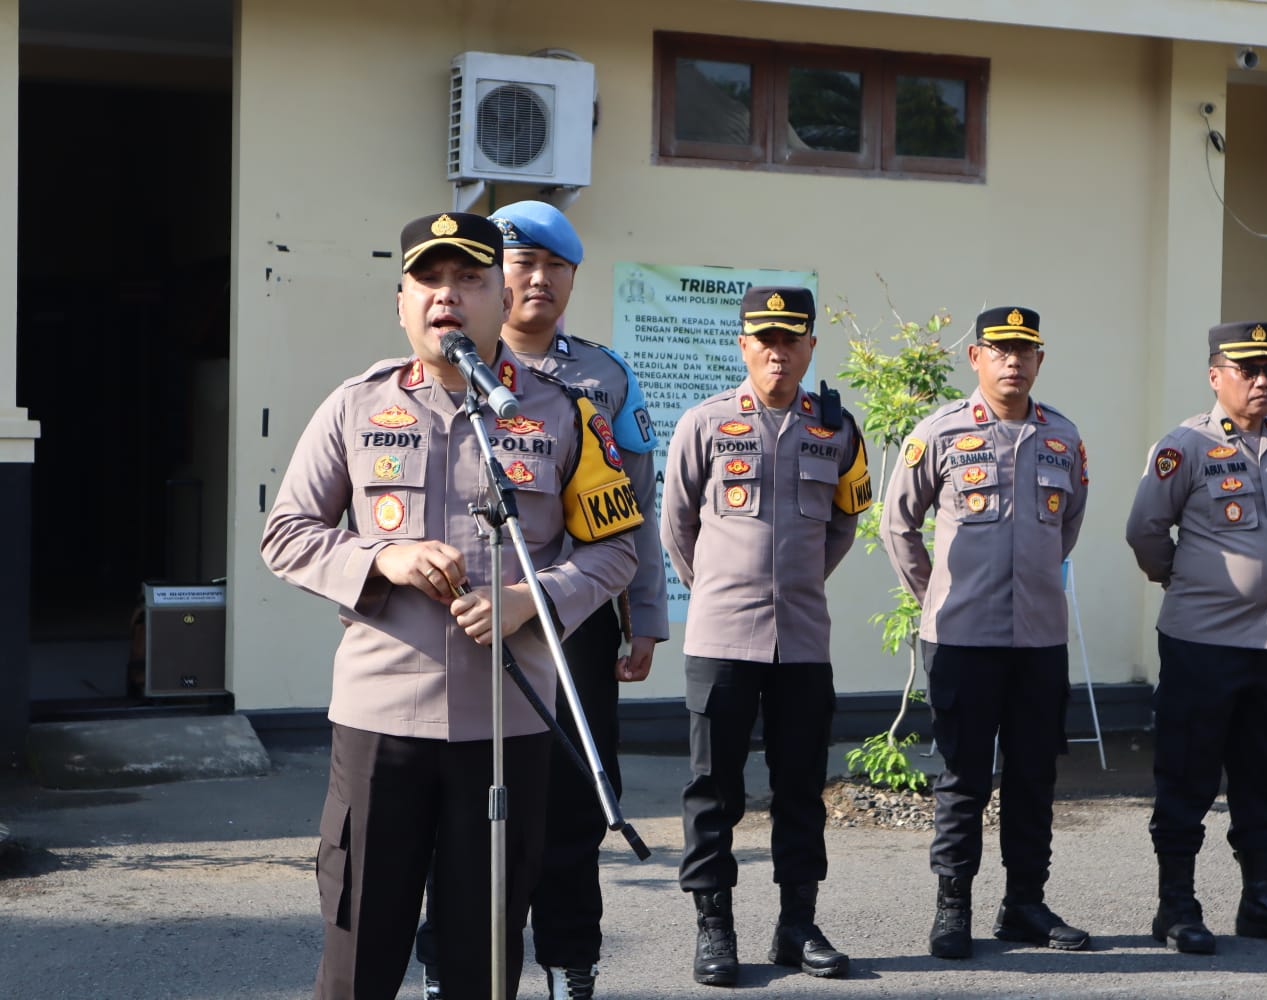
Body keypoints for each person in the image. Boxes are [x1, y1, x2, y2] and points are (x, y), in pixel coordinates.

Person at [261, 211, 641, 1000]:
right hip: (380, 724)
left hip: (507, 725)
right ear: (401, 302)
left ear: (501, 298)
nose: (447, 296)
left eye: (469, 279)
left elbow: (615, 551)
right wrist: (383, 558)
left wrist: (529, 601)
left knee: (484, 957)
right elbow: (287, 534)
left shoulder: (566, 413)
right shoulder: (354, 406)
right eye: (429, 280)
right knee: (359, 952)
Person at [660, 285, 871, 987]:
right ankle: (714, 928)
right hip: (720, 639)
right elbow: (676, 524)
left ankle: (797, 926)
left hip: (803, 641)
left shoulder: (837, 429)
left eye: (791, 339)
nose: (778, 352)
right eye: (765, 339)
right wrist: (720, 589)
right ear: (744, 345)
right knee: (711, 790)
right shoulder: (704, 423)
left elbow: (844, 522)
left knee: (801, 788)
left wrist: (797, 584)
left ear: (810, 346)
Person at [493, 200, 669, 999]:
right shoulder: (452, 369)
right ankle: (460, 965)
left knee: (575, 800)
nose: (539, 279)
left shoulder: (605, 375)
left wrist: (646, 619)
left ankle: (571, 964)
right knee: (470, 810)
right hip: (477, 625)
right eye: (523, 263)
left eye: (555, 267)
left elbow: (638, 507)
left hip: (578, 624)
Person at [879, 306, 1090, 959]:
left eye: (1024, 351)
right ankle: (953, 908)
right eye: (1000, 350)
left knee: (1033, 777)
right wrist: (937, 596)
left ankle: (1024, 904)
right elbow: (897, 525)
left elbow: (1069, 524)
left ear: (1039, 359)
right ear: (976, 357)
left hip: (1039, 640)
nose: (1013, 361)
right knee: (963, 778)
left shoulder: (1062, 437)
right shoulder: (940, 431)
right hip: (961, 641)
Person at [1124, 321, 1267, 956]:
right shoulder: (1185, 445)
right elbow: (1145, 531)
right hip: (1202, 644)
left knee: (1261, 777)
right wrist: (1186, 580)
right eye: (1248, 370)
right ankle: (1177, 906)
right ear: (1216, 376)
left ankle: (1262, 899)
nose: (1262, 380)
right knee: (1187, 775)